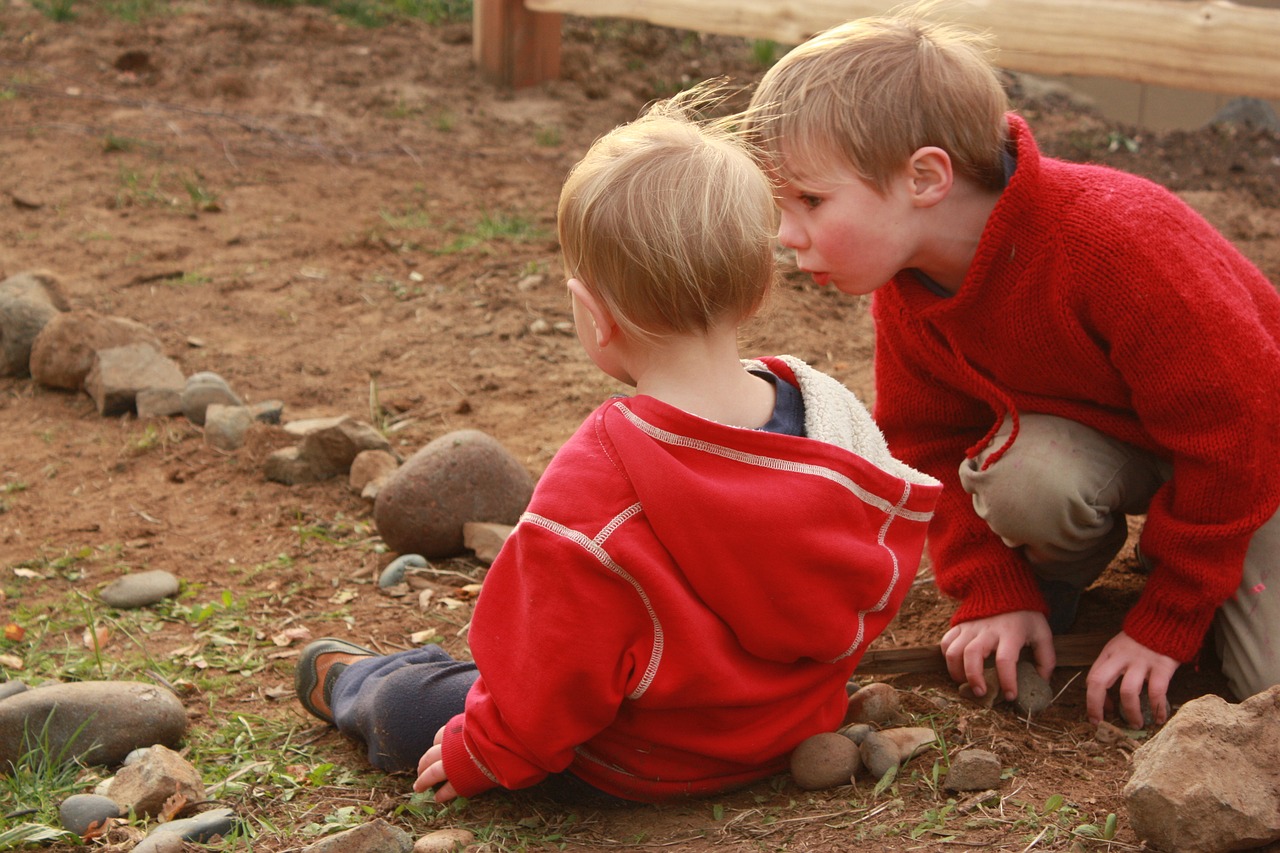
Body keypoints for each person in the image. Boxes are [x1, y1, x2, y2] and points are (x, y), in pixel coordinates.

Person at [293, 90, 941, 805]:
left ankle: (354, 681)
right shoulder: (829, 416)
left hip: (642, 757)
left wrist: (487, 751)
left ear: (594, 317)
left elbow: (554, 669)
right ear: (758, 292)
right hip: (786, 724)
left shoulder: (597, 484)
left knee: (419, 707)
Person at [741, 8, 1280, 731]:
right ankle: (1046, 593)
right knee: (1024, 479)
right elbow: (925, 442)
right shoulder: (910, 286)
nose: (785, 233)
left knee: (1266, 681)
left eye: (809, 200)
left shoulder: (1117, 242)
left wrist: (1168, 619)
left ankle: (1199, 572)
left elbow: (1241, 433)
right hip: (1142, 444)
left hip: (1260, 457)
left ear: (925, 177)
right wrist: (993, 586)